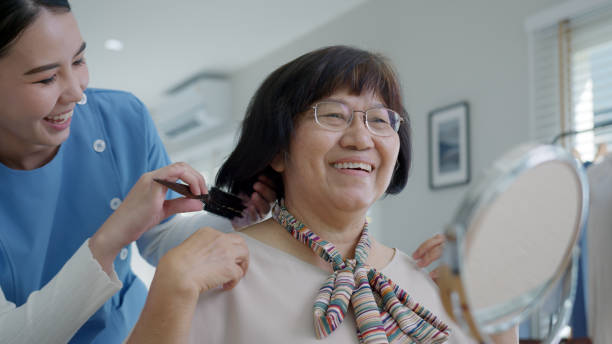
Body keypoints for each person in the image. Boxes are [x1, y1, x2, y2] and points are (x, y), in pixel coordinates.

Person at [128, 46, 518, 343]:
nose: (361, 137)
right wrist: (173, 288)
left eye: (380, 119)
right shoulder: (214, 277)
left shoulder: (430, 280)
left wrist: (500, 312)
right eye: (333, 115)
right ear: (278, 149)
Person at [0, 1, 275, 343]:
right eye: (46, 78)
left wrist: (235, 216)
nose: (77, 92)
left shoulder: (122, 119)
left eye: (79, 61)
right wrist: (111, 236)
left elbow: (157, 239)